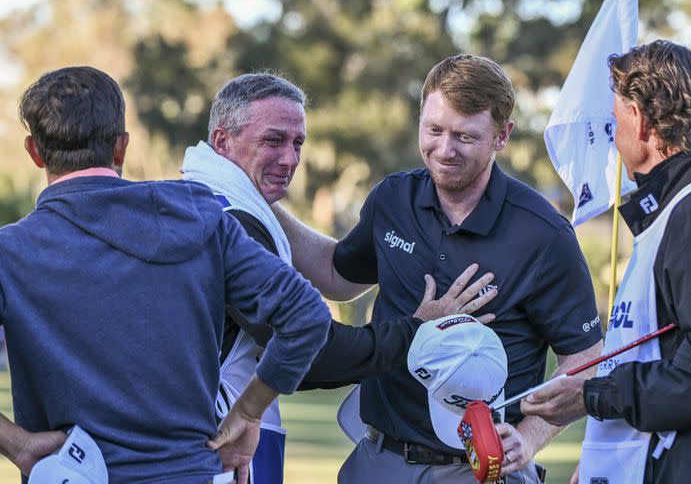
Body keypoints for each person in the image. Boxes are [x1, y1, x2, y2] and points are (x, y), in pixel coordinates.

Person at [272, 54, 604, 483]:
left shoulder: (543, 232)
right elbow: (337, 276)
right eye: (434, 130)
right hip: (379, 458)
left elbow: (585, 356)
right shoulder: (393, 199)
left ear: (502, 136)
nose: (444, 150)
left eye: (466, 136)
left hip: (481, 469)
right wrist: (260, 201)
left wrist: (530, 436)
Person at [1, 66, 333, 484]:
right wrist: (248, 412)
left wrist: (17, 443)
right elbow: (306, 316)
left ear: (34, 152)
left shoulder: (11, 251)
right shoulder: (199, 216)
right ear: (121, 148)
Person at [180, 72, 498, 484]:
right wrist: (416, 331)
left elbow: (336, 275)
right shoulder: (231, 221)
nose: (290, 159)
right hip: (222, 443)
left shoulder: (202, 197)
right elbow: (309, 351)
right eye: (273, 140)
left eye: (298, 143)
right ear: (222, 142)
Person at [520, 40, 691, 484]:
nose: (613, 137)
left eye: (615, 119)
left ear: (639, 118)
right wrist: (602, 458)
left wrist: (590, 396)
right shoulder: (685, 207)